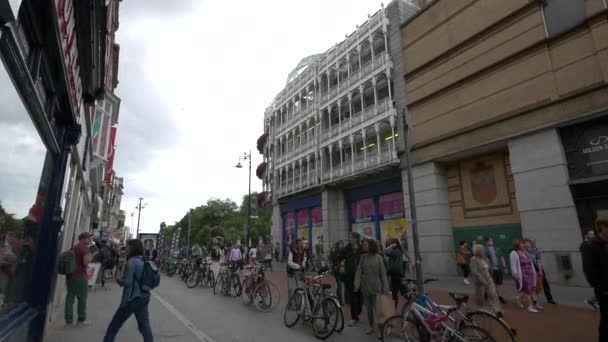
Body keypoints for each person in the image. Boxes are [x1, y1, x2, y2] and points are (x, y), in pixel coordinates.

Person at [103, 239, 153, 342]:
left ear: (132, 248)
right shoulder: (143, 260)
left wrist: (118, 280)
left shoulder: (132, 262)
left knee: (114, 326)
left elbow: (128, 283)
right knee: (145, 327)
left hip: (132, 298)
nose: (126, 249)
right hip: (144, 297)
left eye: (128, 247)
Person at [582, 213, 608, 342]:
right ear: (602, 227)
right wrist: (602, 287)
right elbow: (590, 273)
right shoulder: (590, 246)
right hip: (605, 290)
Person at [354, 239, 389, 336]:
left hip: (377, 287)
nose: (363, 246)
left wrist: (386, 287)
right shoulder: (363, 257)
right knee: (369, 309)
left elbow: (383, 273)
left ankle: (380, 329)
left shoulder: (379, 258)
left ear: (371, 246)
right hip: (366, 287)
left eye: (365, 244)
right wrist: (357, 283)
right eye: (363, 245)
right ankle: (370, 326)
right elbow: (358, 270)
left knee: (378, 309)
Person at [65, 232, 93, 326]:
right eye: (89, 238)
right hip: (80, 276)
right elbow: (85, 262)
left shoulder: (74, 247)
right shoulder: (84, 248)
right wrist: (90, 257)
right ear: (84, 239)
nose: (90, 240)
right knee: (82, 298)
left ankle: (68, 319)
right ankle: (81, 319)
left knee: (70, 297)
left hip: (71, 275)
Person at [470, 244, 502, 314]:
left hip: (489, 279)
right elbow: (475, 272)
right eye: (482, 250)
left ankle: (497, 310)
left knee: (493, 294)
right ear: (478, 251)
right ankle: (480, 309)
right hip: (479, 281)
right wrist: (483, 280)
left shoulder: (485, 258)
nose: (483, 251)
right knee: (480, 297)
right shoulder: (473, 259)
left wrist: (490, 277)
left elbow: (488, 269)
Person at [509, 239, 538, 313]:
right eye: (522, 244)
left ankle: (518, 298)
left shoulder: (525, 252)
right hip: (522, 274)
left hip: (530, 273)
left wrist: (533, 272)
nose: (523, 245)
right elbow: (513, 264)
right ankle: (529, 306)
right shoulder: (514, 253)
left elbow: (530, 262)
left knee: (528, 289)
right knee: (528, 290)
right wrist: (515, 273)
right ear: (518, 246)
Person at [343, 232, 363, 327]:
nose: (350, 239)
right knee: (352, 297)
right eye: (350, 238)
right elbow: (339, 256)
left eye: (351, 238)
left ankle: (358, 311)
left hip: (360, 276)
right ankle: (354, 318)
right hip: (350, 276)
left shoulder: (361, 248)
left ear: (356, 239)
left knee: (360, 295)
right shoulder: (347, 248)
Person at [528, 238, 556, 305]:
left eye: (534, 242)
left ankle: (549, 298)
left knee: (544, 283)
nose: (533, 243)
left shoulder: (536, 250)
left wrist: (540, 270)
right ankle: (533, 299)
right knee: (533, 284)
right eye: (531, 242)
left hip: (538, 268)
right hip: (530, 269)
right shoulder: (526, 251)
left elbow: (539, 260)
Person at [484, 237, 507, 304]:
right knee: (491, 284)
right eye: (489, 240)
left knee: (499, 283)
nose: (491, 242)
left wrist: (505, 266)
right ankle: (489, 294)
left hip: (498, 269)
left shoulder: (497, 248)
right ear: (486, 242)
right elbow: (485, 260)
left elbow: (501, 257)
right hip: (491, 270)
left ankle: (500, 297)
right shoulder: (485, 250)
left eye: (491, 240)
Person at [580, 229, 599, 310]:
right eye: (591, 234)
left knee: (600, 288)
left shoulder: (589, 244)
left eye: (593, 234)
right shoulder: (585, 245)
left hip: (596, 270)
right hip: (592, 271)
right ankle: (593, 301)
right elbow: (588, 261)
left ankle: (593, 301)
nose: (593, 236)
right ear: (585, 236)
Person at [384, 238, 404, 308]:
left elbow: (385, 252)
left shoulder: (395, 251)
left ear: (395, 243)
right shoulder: (399, 250)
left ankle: (394, 304)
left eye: (392, 243)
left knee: (394, 290)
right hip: (397, 273)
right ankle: (396, 302)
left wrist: (390, 247)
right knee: (396, 289)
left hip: (395, 273)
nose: (391, 244)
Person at [329, 241, 345, 305]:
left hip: (343, 270)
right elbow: (332, 259)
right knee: (339, 285)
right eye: (340, 244)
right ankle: (340, 300)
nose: (341, 246)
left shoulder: (344, 252)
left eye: (342, 244)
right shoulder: (335, 252)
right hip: (337, 270)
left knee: (343, 286)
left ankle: (344, 300)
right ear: (337, 245)